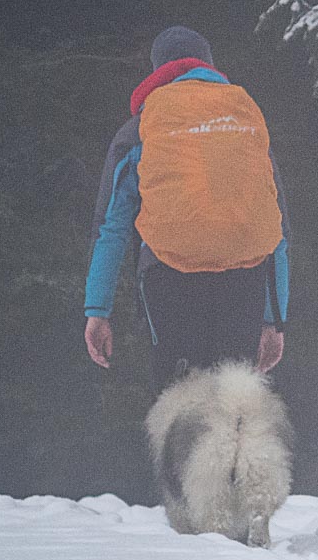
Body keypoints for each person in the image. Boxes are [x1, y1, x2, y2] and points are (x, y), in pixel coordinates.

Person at [83, 26, 290, 385]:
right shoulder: (243, 120)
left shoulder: (140, 129)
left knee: (178, 390)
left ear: (158, 70)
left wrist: (98, 310)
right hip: (245, 278)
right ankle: (236, 439)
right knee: (234, 393)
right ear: (208, 64)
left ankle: (180, 433)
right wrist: (274, 319)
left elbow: (112, 226)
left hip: (170, 278)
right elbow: (279, 227)